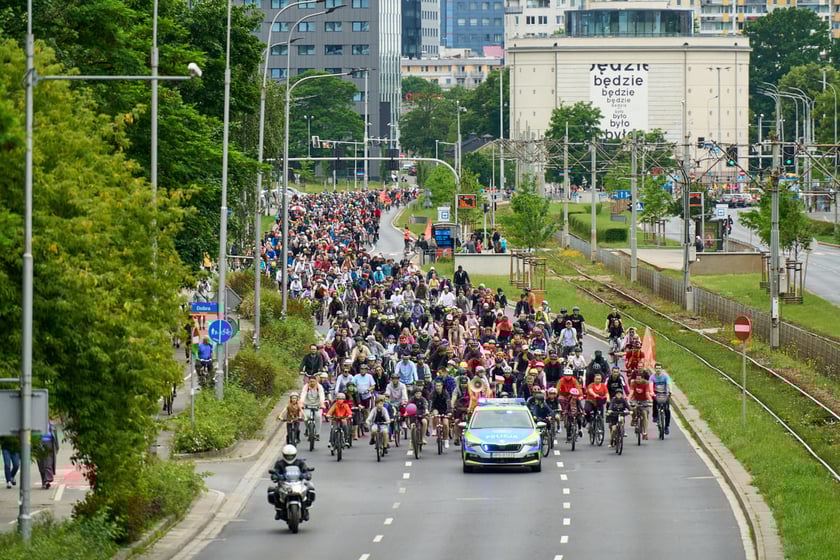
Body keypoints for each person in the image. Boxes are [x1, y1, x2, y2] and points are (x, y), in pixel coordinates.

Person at [271, 444, 315, 520]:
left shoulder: (299, 462)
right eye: (287, 456)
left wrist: (307, 474)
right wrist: (275, 476)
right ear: (284, 455)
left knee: (310, 487)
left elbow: (305, 469)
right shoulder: (279, 463)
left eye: (291, 456)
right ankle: (278, 510)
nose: (289, 457)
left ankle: (306, 508)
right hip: (284, 484)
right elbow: (275, 471)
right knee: (274, 491)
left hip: (297, 483)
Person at [629, 369, 654, 440]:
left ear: (642, 379)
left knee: (645, 414)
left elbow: (647, 393)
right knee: (633, 408)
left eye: (639, 379)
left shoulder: (646, 383)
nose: (638, 380)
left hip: (644, 400)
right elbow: (631, 392)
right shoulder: (633, 383)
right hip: (635, 399)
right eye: (637, 379)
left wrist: (651, 401)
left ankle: (645, 433)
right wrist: (628, 400)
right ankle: (634, 419)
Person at [301, 375, 326, 441]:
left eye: (313, 381)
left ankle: (317, 433)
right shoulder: (306, 387)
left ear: (316, 381)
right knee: (306, 416)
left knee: (318, 417)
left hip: (317, 405)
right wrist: (301, 403)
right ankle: (308, 429)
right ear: (308, 382)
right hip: (307, 404)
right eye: (310, 381)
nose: (312, 383)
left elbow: (322, 395)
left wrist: (322, 403)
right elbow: (303, 395)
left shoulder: (319, 387)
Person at [36, 421, 59, 489]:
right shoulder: (36, 424)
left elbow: (56, 437)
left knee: (48, 463)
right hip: (39, 444)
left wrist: (57, 447)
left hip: (49, 444)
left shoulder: (52, 425)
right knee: (41, 464)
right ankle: (44, 481)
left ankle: (47, 481)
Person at [650, 363, 672, 435]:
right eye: (657, 368)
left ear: (661, 369)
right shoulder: (652, 377)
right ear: (655, 369)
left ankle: (666, 427)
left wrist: (670, 391)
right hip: (656, 393)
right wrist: (652, 392)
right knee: (655, 402)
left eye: (659, 368)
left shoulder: (665, 377)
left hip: (664, 394)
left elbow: (669, 384)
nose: (658, 370)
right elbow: (650, 385)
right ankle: (655, 416)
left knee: (667, 410)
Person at [429, 380, 452, 448]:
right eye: (436, 386)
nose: (438, 387)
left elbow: (448, 403)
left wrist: (449, 412)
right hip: (436, 408)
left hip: (445, 410)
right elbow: (430, 403)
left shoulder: (446, 393)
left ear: (442, 386)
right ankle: (435, 429)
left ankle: (446, 440)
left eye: (439, 386)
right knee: (435, 415)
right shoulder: (432, 393)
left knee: (445, 424)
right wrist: (430, 411)